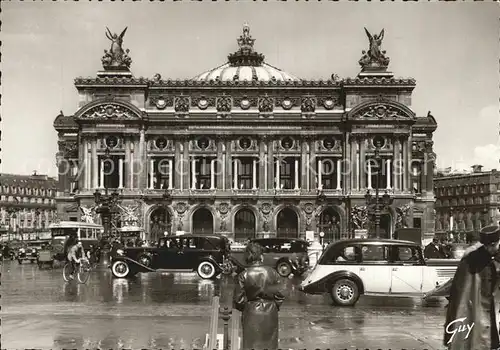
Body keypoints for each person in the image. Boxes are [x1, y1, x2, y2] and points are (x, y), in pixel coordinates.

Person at [443, 225, 500, 349]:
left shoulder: (484, 259)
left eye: (492, 246)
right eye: (487, 246)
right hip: (477, 318)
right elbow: (458, 295)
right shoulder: (472, 261)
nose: (489, 249)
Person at [233, 242, 285, 350]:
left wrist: (246, 307)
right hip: (270, 312)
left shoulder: (244, 274)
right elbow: (280, 295)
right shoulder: (273, 272)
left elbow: (238, 299)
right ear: (261, 255)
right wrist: (274, 306)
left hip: (251, 312)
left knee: (251, 345)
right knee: (269, 345)